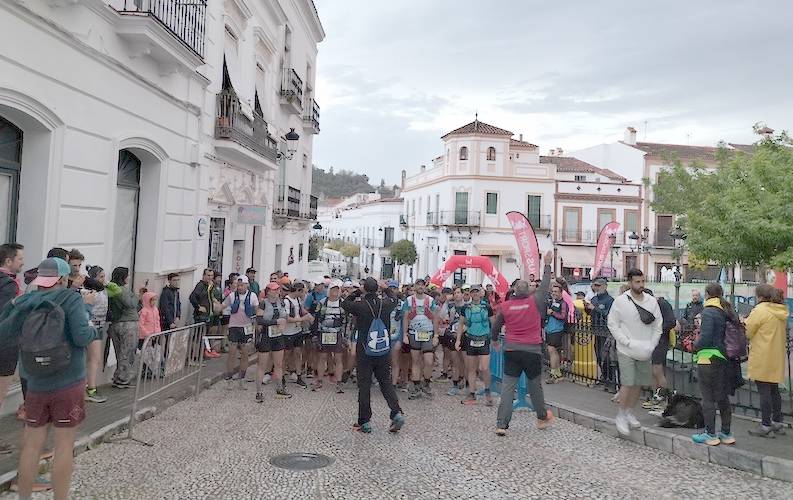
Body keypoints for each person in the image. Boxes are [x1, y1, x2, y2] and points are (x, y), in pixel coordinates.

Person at [0, 257, 96, 500]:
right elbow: (82, 336)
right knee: (64, 445)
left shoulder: (26, 301)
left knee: (31, 445)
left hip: (35, 383)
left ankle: (24, 497)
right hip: (69, 381)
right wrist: (88, 311)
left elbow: (4, 333)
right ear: (63, 279)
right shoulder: (71, 298)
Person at [491, 250, 555, 436]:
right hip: (532, 350)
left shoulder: (506, 307)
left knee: (508, 388)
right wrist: (548, 263)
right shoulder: (535, 301)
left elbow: (496, 326)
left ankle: (501, 424)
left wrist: (495, 341)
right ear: (528, 291)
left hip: (511, 349)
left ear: (513, 292)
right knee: (535, 386)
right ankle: (542, 417)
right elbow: (544, 285)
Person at [341, 277, 405, 434]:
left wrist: (357, 292)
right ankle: (396, 412)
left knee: (364, 386)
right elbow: (395, 299)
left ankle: (365, 421)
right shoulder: (386, 304)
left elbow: (345, 303)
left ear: (364, 289)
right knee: (386, 382)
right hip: (383, 350)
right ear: (377, 289)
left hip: (365, 350)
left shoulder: (360, 305)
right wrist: (386, 288)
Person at [606, 268, 662, 436]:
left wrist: (652, 344)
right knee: (628, 383)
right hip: (627, 350)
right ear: (630, 283)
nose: (641, 285)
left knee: (638, 383)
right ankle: (621, 414)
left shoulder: (652, 302)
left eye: (642, 281)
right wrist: (625, 341)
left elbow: (658, 325)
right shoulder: (620, 302)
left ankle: (629, 411)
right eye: (637, 282)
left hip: (645, 349)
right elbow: (612, 324)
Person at [690, 283, 734, 446]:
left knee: (708, 398)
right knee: (722, 396)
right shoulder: (725, 311)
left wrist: (695, 345)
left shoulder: (708, 312)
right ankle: (726, 433)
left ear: (707, 294)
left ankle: (710, 434)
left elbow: (706, 337)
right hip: (723, 358)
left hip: (707, 358)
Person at [745, 284, 789, 437]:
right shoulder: (780, 310)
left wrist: (744, 321)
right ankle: (777, 422)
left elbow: (748, 332)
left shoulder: (760, 310)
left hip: (762, 354)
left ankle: (765, 424)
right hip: (776, 355)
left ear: (760, 296)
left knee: (764, 391)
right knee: (774, 390)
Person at [0, 242, 24, 454]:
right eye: (20, 260)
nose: (23, 263)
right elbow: (8, 317)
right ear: (8, 261)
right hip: (4, 347)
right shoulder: (8, 285)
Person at [456, 285, 494, 406]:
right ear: (470, 294)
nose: (475, 294)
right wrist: (458, 340)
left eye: (477, 292)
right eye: (473, 292)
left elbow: (493, 323)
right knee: (471, 369)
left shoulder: (487, 306)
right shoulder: (465, 307)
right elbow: (460, 324)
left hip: (484, 339)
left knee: (484, 368)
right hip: (470, 339)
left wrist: (494, 338)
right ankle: (472, 393)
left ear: (480, 293)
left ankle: (488, 391)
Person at [401, 279, 439, 399]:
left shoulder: (430, 300)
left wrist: (436, 335)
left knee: (429, 361)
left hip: (427, 333)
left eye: (422, 285)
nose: (420, 287)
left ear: (425, 287)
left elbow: (435, 318)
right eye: (418, 285)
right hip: (414, 333)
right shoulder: (409, 300)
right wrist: (405, 334)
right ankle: (417, 386)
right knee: (415, 360)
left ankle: (426, 383)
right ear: (415, 287)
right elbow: (406, 318)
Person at [309, 282, 347, 393]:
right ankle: (320, 380)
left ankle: (339, 382)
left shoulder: (343, 303)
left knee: (338, 359)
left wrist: (346, 336)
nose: (335, 292)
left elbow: (346, 321)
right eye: (333, 290)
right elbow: (316, 319)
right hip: (323, 333)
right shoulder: (322, 302)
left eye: (337, 290)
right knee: (322, 358)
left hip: (338, 334)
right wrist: (315, 334)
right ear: (329, 290)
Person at [106, 267, 141, 389]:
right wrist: (137, 295)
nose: (129, 277)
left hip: (115, 324)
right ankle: (123, 379)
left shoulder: (110, 289)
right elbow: (131, 304)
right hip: (128, 324)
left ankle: (118, 376)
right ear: (123, 277)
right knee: (128, 352)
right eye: (128, 275)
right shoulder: (121, 290)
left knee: (119, 352)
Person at [222, 275, 258, 390]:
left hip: (246, 327)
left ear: (247, 285)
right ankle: (229, 378)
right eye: (238, 285)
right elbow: (223, 305)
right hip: (234, 327)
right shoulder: (232, 295)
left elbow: (258, 310)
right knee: (232, 353)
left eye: (242, 285)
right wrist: (215, 306)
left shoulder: (252, 296)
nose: (240, 287)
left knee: (245, 353)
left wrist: (259, 323)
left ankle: (242, 378)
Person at [255, 282, 290, 400]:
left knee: (279, 364)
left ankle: (280, 388)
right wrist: (276, 322)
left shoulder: (282, 302)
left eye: (277, 290)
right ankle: (259, 392)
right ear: (268, 291)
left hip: (278, 335)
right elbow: (259, 320)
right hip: (265, 335)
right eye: (274, 290)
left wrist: (283, 323)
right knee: (262, 365)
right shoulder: (263, 303)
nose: (276, 292)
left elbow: (284, 316)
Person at [642, 290, 676, 411]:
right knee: (653, 371)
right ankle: (655, 398)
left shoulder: (662, 304)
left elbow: (671, 321)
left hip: (660, 341)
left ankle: (665, 399)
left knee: (658, 370)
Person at [83, 265, 108, 404]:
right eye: (101, 277)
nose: (104, 280)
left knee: (94, 359)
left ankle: (88, 387)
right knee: (94, 359)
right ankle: (90, 389)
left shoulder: (103, 290)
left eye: (105, 276)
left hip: (100, 326)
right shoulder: (91, 292)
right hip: (92, 326)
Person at [587, 278, 616, 389]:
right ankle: (604, 376)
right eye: (595, 285)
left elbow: (608, 314)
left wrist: (595, 309)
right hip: (596, 330)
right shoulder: (594, 299)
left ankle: (610, 378)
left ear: (605, 286)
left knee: (607, 356)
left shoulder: (610, 300)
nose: (596, 287)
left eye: (598, 285)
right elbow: (590, 312)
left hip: (606, 331)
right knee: (598, 355)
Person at [283, 283, 312, 388]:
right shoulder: (286, 301)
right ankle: (282, 377)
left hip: (297, 331)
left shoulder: (298, 300)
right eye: (303, 291)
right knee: (286, 354)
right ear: (298, 290)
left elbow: (301, 310)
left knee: (298, 353)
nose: (304, 293)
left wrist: (308, 315)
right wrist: (302, 319)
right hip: (288, 332)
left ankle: (299, 375)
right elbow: (287, 318)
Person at [544, 283, 569, 384]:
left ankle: (554, 373)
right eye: (553, 291)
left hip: (557, 330)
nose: (554, 293)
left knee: (552, 350)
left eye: (556, 292)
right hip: (549, 329)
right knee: (553, 351)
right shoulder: (553, 302)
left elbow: (563, 316)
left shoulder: (563, 303)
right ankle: (557, 373)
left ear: (561, 293)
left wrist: (552, 313)